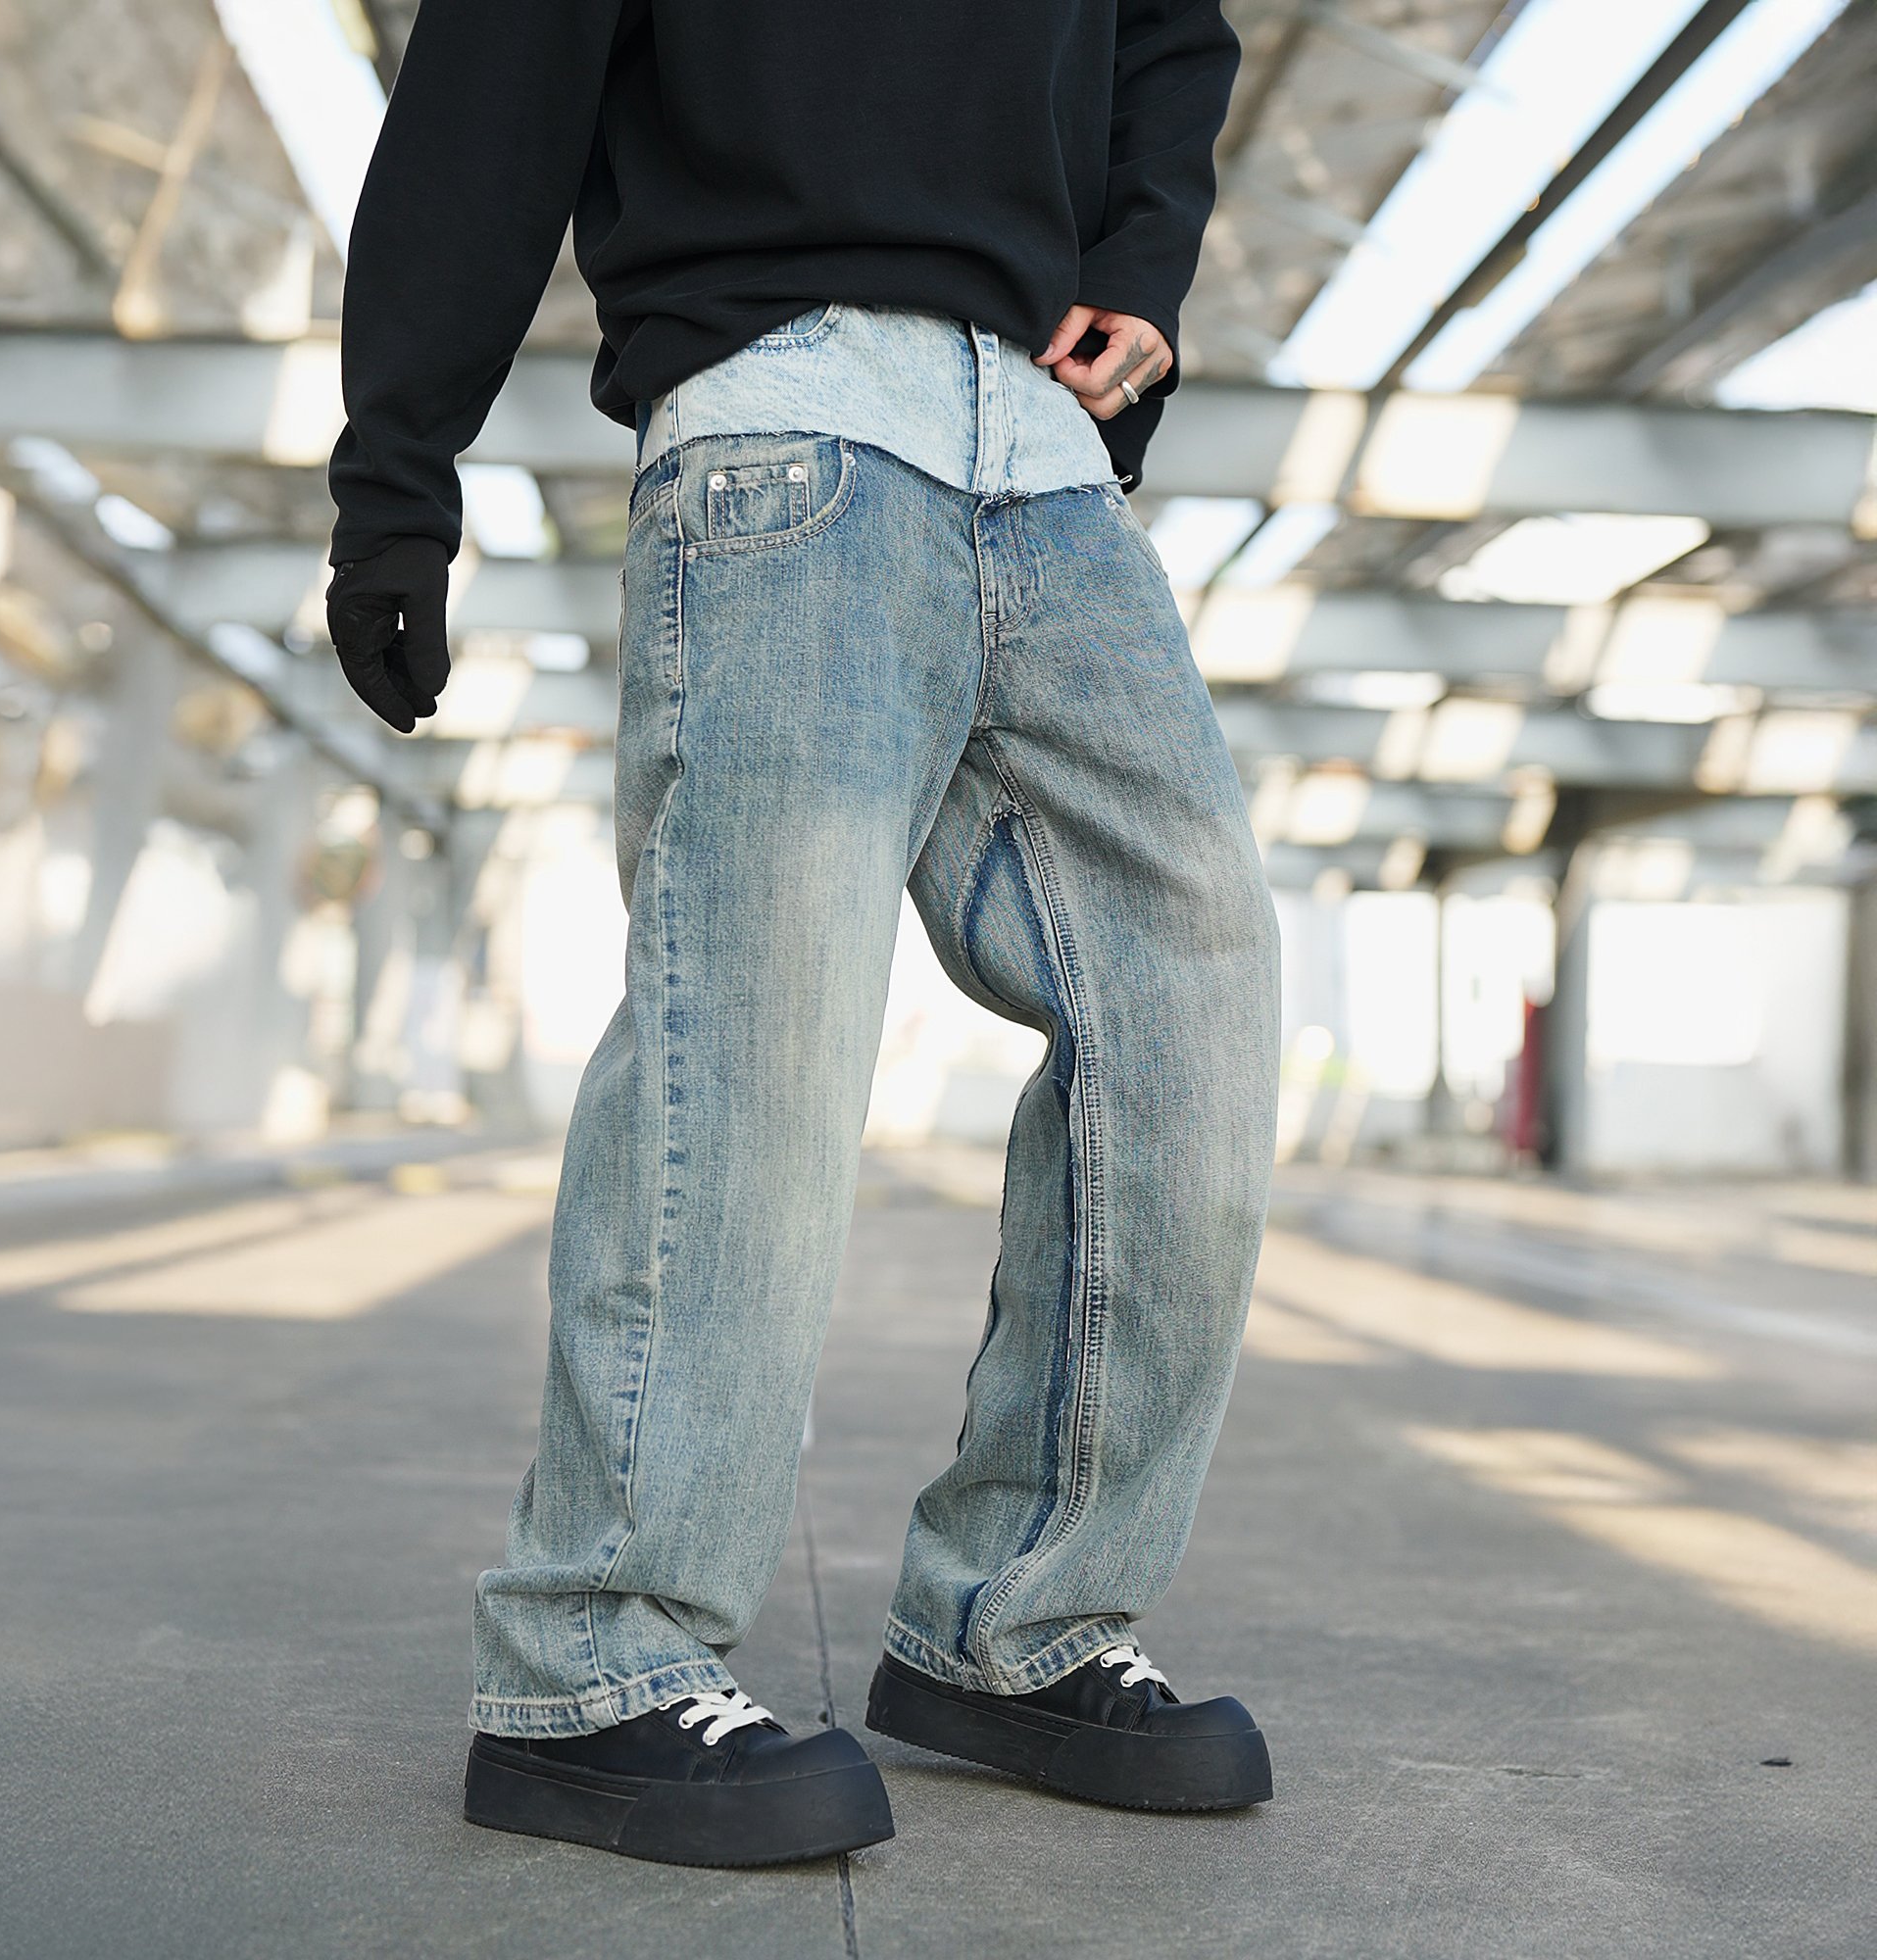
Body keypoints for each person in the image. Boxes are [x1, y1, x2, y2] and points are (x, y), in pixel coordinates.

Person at [325, 0, 1280, 1870]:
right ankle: (591, 1658)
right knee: (759, 1039)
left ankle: (1017, 1616)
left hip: (1049, 451)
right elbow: (495, 80)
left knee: (1199, 996)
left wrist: (1143, 263)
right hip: (788, 410)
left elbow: (1172, 30)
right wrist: (396, 482)